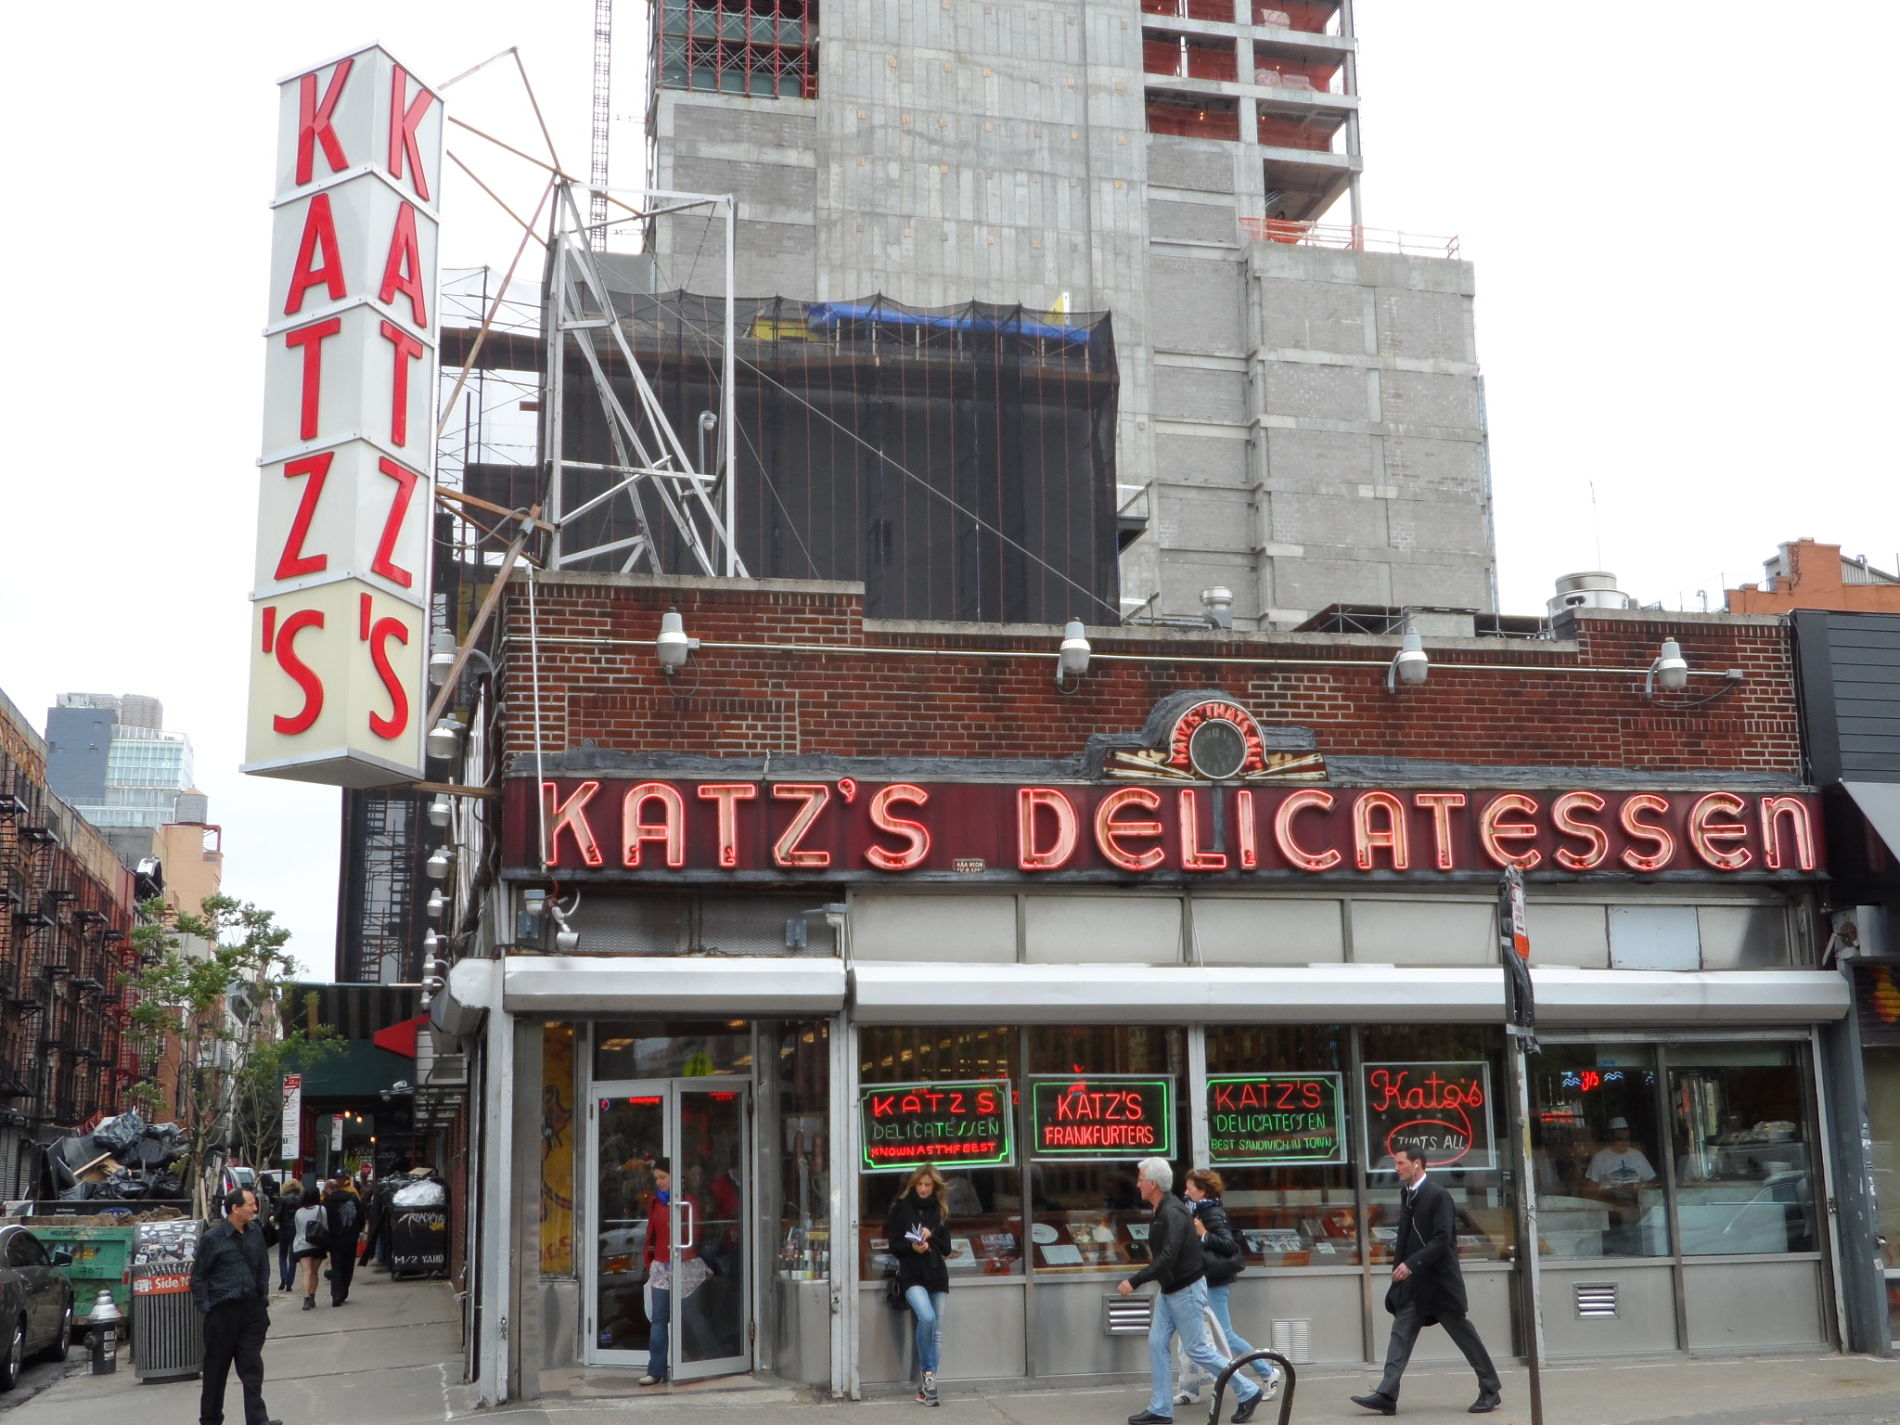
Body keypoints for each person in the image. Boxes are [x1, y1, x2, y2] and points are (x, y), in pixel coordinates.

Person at [1351, 1146, 1501, 1416]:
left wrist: (1411, 1264)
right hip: (1414, 1286)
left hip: (1440, 1284)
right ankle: (1387, 1393)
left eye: (1400, 1163)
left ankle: (1490, 1389)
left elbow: (1442, 1240)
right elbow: (1406, 1235)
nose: (1395, 1168)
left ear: (1417, 1164)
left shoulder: (1438, 1195)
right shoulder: (1408, 1194)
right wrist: (1399, 1269)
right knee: (1400, 1334)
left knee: (1465, 1337)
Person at [1118, 1158, 1263, 1425]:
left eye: (1140, 1179)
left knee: (1197, 1349)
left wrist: (1136, 1280)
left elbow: (1168, 1256)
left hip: (1185, 1289)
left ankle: (1248, 1390)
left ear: (1152, 1184)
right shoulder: (1163, 1208)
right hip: (1171, 1289)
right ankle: (1161, 1409)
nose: (1137, 1184)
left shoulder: (1172, 1212)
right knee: (1156, 1343)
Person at [1177, 1168, 1278, 1406]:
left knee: (1225, 1335)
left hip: (1214, 1282)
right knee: (1193, 1336)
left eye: (1189, 1188)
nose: (1185, 1192)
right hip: (1201, 1280)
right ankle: (1190, 1388)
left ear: (1201, 1191)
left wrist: (1203, 1235)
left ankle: (1267, 1372)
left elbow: (1228, 1245)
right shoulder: (1197, 1209)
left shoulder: (1210, 1212)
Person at [190, 1187, 280, 1425]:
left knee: (252, 1368)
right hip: (222, 1313)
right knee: (216, 1372)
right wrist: (206, 1307)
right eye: (250, 1204)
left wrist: (262, 1295)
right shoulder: (213, 1238)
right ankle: (210, 1419)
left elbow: (263, 1265)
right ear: (235, 1208)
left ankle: (258, 1419)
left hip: (251, 1310)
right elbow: (198, 1277)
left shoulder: (255, 1232)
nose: (255, 1208)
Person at [886, 1164, 952, 1406]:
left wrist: (931, 1236)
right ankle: (928, 1376)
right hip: (912, 1274)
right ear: (913, 1185)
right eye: (920, 1185)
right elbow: (894, 1245)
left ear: (934, 1187)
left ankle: (928, 1384)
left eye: (928, 1185)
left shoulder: (940, 1210)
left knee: (937, 1330)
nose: (924, 1189)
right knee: (927, 1317)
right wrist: (912, 1247)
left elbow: (947, 1248)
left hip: (936, 1275)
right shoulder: (901, 1208)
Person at [640, 1158, 677, 1387]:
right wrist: (650, 1262)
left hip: (684, 1264)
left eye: (663, 1177)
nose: (660, 1182)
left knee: (691, 1317)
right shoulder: (656, 1202)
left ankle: (709, 1358)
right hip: (661, 1265)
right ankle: (656, 1370)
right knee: (659, 1319)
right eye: (657, 1178)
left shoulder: (686, 1200)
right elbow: (651, 1234)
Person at [324, 1175, 364, 1305]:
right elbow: (361, 1215)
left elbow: (325, 1221)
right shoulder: (352, 1197)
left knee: (337, 1266)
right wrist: (358, 1230)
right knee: (348, 1264)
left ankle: (336, 1293)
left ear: (329, 1189)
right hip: (351, 1237)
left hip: (335, 1239)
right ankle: (344, 1290)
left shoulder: (328, 1201)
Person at [291, 1181, 329, 1311]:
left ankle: (306, 1299)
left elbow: (297, 1229)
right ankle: (312, 1296)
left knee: (306, 1272)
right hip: (317, 1244)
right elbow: (325, 1226)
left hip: (302, 1244)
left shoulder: (298, 1212)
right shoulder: (321, 1209)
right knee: (314, 1272)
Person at [272, 1180, 304, 1292]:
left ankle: (283, 1278)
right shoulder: (301, 1198)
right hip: (296, 1228)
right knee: (293, 1256)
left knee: (282, 1255)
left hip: (284, 1228)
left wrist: (274, 1219)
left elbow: (278, 1214)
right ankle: (290, 1282)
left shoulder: (282, 1199)